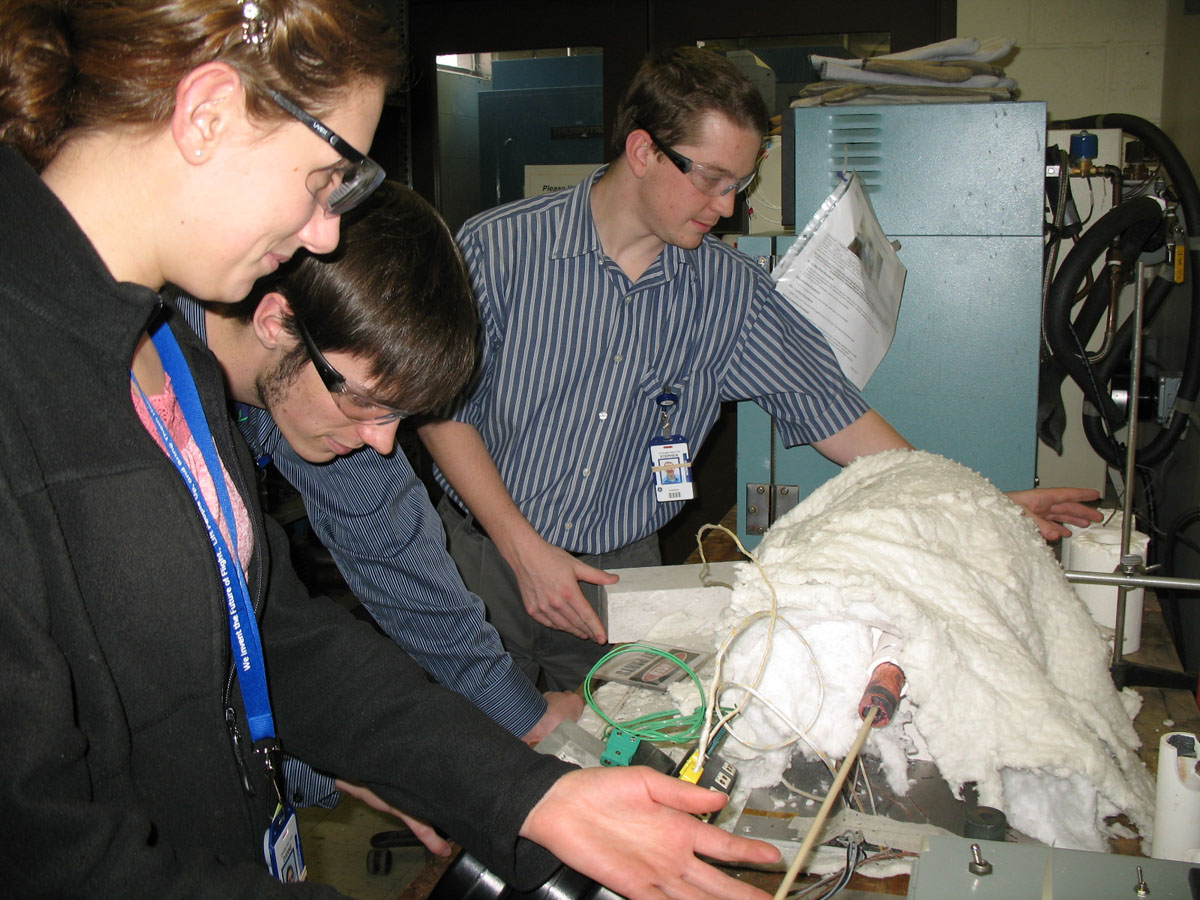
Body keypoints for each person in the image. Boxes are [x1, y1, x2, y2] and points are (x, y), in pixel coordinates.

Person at [0, 5, 780, 898]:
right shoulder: (34, 373)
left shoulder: (169, 351)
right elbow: (45, 851)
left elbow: (274, 637)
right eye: (327, 178)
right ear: (207, 113)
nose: (327, 232)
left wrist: (527, 799)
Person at [418, 45, 1104, 692]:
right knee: (473, 762)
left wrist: (978, 508)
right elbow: (441, 412)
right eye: (712, 180)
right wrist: (523, 547)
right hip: (483, 555)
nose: (726, 207)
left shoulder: (729, 291)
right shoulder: (498, 250)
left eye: (739, 184)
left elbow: (838, 414)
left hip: (616, 576)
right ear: (643, 151)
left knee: (625, 753)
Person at [168, 181, 581, 823]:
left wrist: (520, 717)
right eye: (368, 405)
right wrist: (297, 765)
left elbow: (393, 551)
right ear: (278, 323)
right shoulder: (141, 398)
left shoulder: (322, 383)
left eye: (401, 417)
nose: (382, 443)